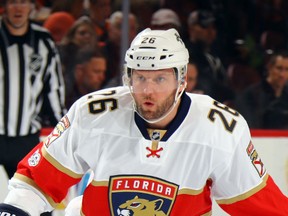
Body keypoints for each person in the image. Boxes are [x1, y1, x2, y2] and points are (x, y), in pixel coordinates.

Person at [0, 28, 287, 216]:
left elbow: (262, 207)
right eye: (140, 78)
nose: (148, 90)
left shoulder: (219, 129)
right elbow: (35, 182)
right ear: (128, 77)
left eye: (160, 78)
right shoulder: (93, 114)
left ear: (182, 80)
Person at [0, 0, 66, 177]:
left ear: (31, 6)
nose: (18, 8)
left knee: (24, 199)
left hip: (26, 137)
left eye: (23, 2)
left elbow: (53, 88)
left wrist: (61, 127)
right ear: (4, 6)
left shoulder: (43, 41)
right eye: (13, 2)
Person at [185, 9, 234, 103]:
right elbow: (207, 84)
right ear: (191, 29)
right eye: (205, 27)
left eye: (213, 27)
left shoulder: (217, 52)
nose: (210, 31)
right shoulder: (186, 54)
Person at [235, 51, 288, 129]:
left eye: (287, 69)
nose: (282, 75)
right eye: (279, 68)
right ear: (269, 68)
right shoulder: (251, 95)